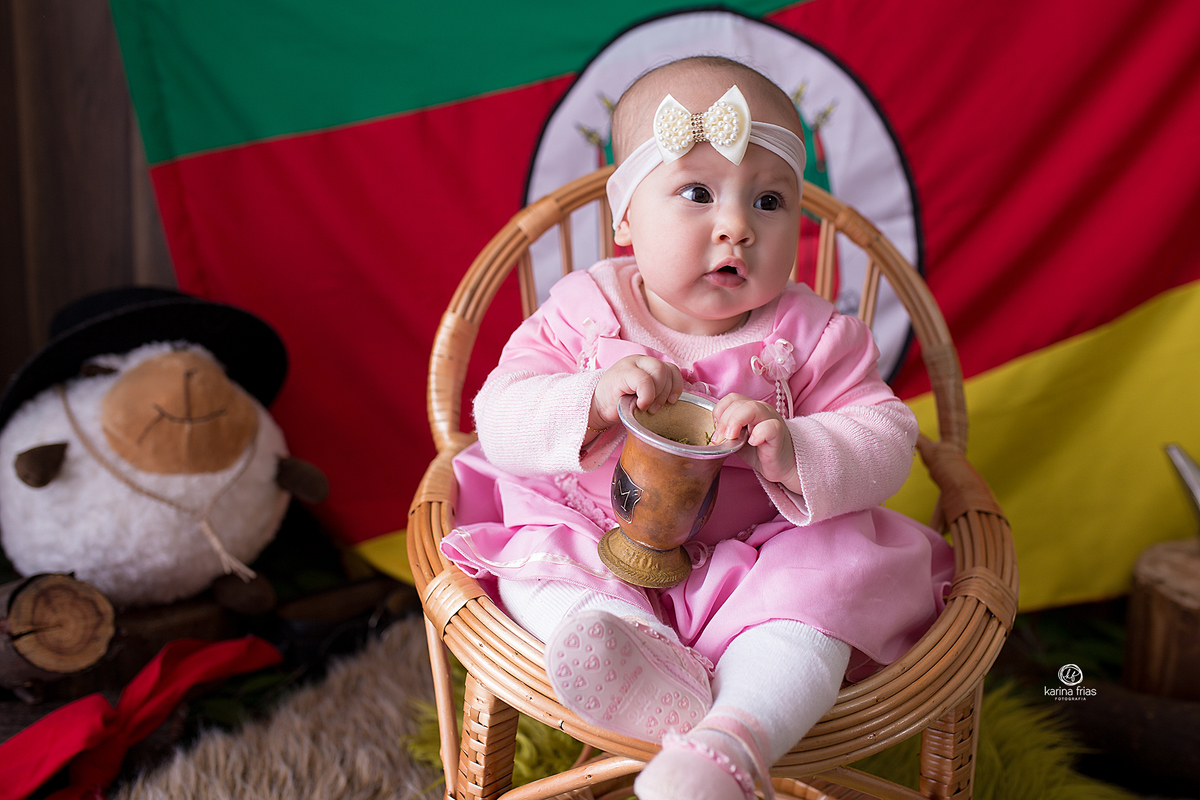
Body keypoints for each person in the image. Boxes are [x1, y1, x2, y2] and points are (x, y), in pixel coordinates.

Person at [440, 55, 954, 800]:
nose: (737, 228)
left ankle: (729, 744)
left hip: (757, 556)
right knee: (538, 557)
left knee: (824, 580)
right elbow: (499, 415)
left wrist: (797, 446)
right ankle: (628, 658)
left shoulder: (811, 336)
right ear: (624, 218)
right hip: (596, 532)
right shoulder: (586, 312)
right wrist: (588, 396)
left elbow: (885, 437)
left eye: (771, 202)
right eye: (697, 193)